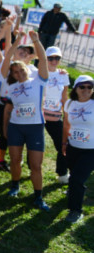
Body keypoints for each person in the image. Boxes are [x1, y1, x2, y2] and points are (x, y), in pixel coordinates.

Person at [2, 31, 50, 211]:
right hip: (16, 127)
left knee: (35, 165)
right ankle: (14, 186)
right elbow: (7, 60)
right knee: (15, 160)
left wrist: (36, 40)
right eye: (15, 72)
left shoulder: (39, 81)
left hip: (35, 128)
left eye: (21, 69)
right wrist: (14, 44)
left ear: (27, 69)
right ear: (12, 75)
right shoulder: (11, 86)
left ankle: (38, 196)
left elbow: (43, 61)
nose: (19, 73)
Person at [62, 75, 94, 223]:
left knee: (76, 178)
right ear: (76, 88)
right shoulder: (69, 103)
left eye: (90, 87)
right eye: (82, 86)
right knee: (73, 175)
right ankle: (74, 191)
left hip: (91, 150)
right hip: (73, 146)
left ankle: (76, 211)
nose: (86, 90)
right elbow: (66, 125)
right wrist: (64, 143)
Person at [42, 46, 70, 183]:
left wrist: (67, 116)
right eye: (51, 58)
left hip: (55, 117)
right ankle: (32, 169)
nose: (54, 61)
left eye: (57, 58)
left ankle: (62, 174)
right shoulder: (39, 72)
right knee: (35, 145)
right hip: (39, 116)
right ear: (45, 58)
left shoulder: (63, 75)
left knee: (64, 144)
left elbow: (64, 96)